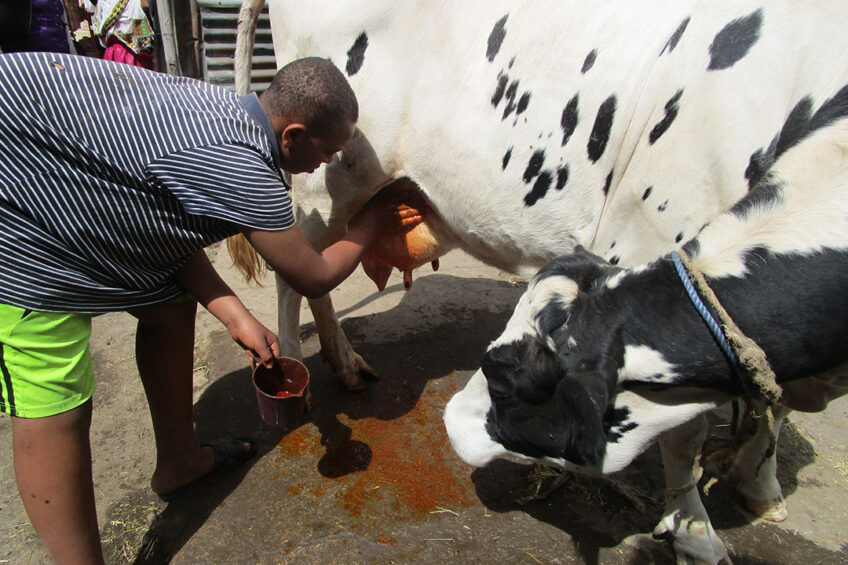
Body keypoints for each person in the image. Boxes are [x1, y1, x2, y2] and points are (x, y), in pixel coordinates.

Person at [0, 51, 419, 564]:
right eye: (328, 150)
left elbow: (171, 224)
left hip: (54, 156)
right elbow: (314, 275)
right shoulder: (246, 168)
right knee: (55, 394)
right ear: (291, 136)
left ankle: (178, 462)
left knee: (169, 303)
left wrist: (236, 316)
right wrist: (373, 218)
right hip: (18, 206)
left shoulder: (222, 110)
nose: (329, 162)